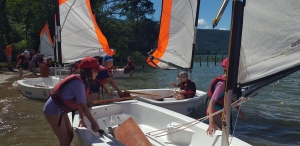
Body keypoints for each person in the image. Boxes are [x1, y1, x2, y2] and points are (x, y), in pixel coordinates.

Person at [43, 56, 101, 146]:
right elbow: (83, 106)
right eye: (95, 71)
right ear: (88, 71)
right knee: (65, 141)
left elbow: (80, 103)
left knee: (70, 136)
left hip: (61, 110)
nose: (97, 73)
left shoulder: (82, 81)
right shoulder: (78, 83)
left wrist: (82, 120)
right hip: (53, 110)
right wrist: (94, 124)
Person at [206, 58, 247, 136]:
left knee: (225, 132)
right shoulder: (222, 84)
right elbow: (211, 103)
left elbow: (232, 100)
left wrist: (240, 112)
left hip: (222, 111)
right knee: (222, 132)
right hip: (214, 112)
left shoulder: (230, 83)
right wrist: (211, 123)